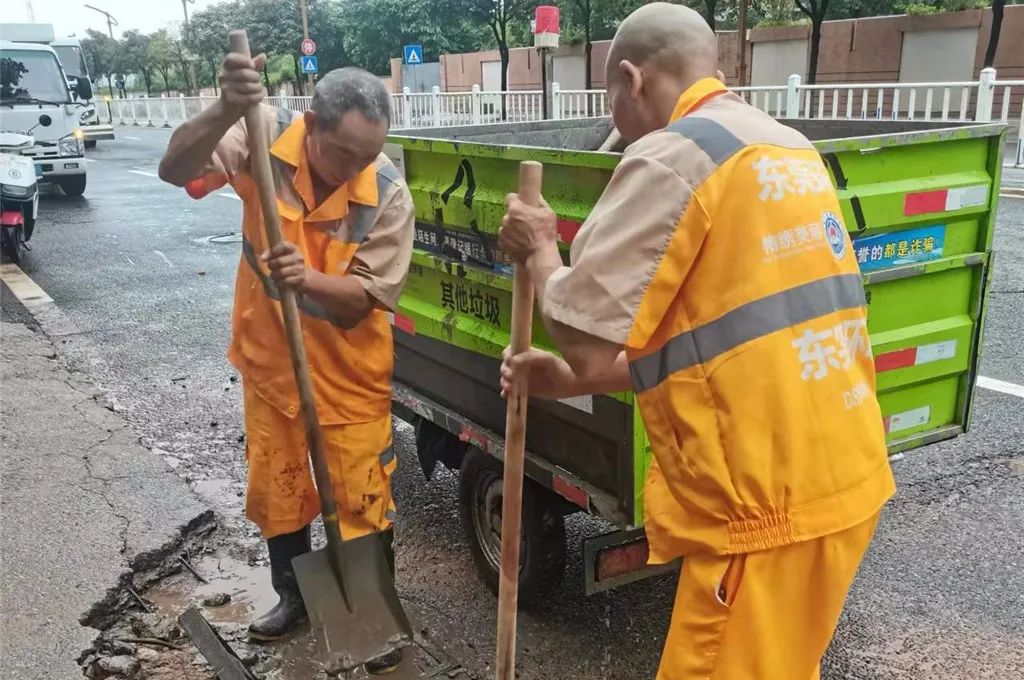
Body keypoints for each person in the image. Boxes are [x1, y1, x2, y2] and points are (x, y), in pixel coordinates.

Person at [498, 4, 896, 678]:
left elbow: (586, 338)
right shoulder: (786, 148)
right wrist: (575, 382)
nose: (615, 125)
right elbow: (726, 343)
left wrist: (541, 248)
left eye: (609, 100)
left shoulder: (678, 156)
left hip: (765, 511)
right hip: (839, 480)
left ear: (630, 78)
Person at [158, 53, 413, 674]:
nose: (358, 167)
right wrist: (224, 105)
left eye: (369, 154)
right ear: (312, 124)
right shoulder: (259, 131)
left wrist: (310, 282)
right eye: (345, 153)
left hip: (350, 378)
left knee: (362, 500)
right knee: (280, 491)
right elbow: (176, 170)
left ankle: (371, 613)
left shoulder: (387, 190)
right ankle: (294, 598)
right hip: (272, 367)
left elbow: (364, 301)